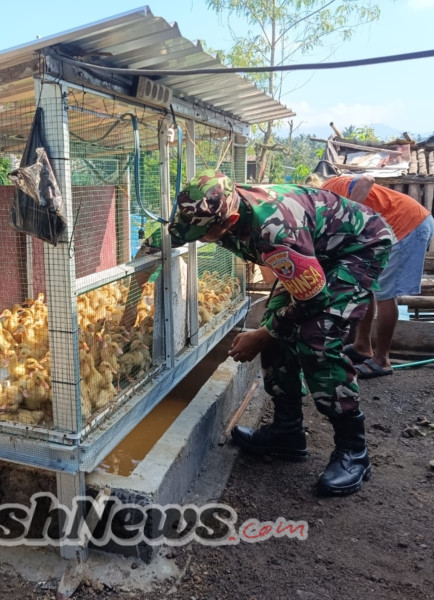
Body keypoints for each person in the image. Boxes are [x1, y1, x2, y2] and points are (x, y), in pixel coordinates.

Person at [167, 170, 395, 496]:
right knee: (276, 324)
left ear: (231, 220)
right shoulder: (206, 208)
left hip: (357, 248)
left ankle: (354, 451)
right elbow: (170, 234)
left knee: (317, 338)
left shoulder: (275, 232)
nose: (200, 238)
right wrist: (137, 281)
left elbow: (313, 298)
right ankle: (287, 433)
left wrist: (263, 335)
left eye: (205, 234)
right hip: (312, 252)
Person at [305, 173, 434, 379]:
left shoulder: (331, 187)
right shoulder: (327, 206)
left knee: (385, 294)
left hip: (405, 225)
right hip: (389, 230)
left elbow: (367, 180)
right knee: (367, 286)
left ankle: (382, 359)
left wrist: (348, 217)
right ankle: (362, 346)